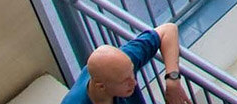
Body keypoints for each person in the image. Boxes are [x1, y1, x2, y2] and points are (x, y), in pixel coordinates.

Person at [61, 23, 189, 104]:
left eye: (132, 74)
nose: (134, 82)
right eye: (126, 80)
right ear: (101, 87)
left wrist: (172, 81)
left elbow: (168, 30)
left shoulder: (121, 64)